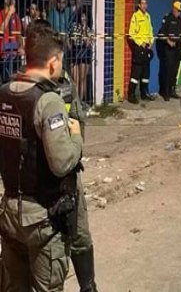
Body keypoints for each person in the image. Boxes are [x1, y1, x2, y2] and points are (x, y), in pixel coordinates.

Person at [0, 24, 83, 290]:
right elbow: (61, 163)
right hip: (42, 219)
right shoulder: (48, 101)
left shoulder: (4, 93)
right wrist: (76, 138)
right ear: (53, 62)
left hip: (10, 212)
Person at [29, 21, 98, 291]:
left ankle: (89, 286)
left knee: (81, 234)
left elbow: (78, 116)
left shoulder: (66, 81)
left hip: (70, 172)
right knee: (49, 248)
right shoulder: (27, 88)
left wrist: (76, 149)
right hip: (42, 183)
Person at [128, 0, 155, 104]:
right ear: (139, 5)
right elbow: (131, 34)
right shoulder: (135, 16)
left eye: (145, 3)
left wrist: (151, 42)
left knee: (146, 73)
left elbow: (151, 31)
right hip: (139, 48)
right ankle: (131, 95)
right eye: (142, 4)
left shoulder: (148, 16)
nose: (144, 5)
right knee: (136, 74)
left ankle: (144, 94)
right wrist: (141, 43)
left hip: (147, 48)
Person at [157, 0, 181, 101]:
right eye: (178, 10)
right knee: (167, 71)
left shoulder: (179, 20)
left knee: (174, 71)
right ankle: (166, 93)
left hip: (177, 49)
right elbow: (161, 34)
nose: (179, 13)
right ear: (173, 9)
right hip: (169, 50)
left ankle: (173, 90)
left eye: (180, 11)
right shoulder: (167, 18)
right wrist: (168, 41)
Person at [70, 10, 93, 105]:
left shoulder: (89, 29)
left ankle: (80, 102)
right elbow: (74, 40)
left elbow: (89, 43)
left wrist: (86, 38)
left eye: (85, 17)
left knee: (82, 80)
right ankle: (75, 101)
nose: (83, 19)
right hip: (75, 53)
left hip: (85, 55)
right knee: (75, 80)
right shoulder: (75, 26)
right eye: (82, 17)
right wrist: (82, 38)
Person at [0, 0, 24, 82]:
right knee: (5, 82)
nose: (14, 1)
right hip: (3, 54)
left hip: (15, 54)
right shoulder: (1, 14)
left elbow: (19, 35)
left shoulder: (16, 17)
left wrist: (21, 47)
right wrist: (9, 13)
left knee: (15, 81)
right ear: (6, 0)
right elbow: (0, 31)